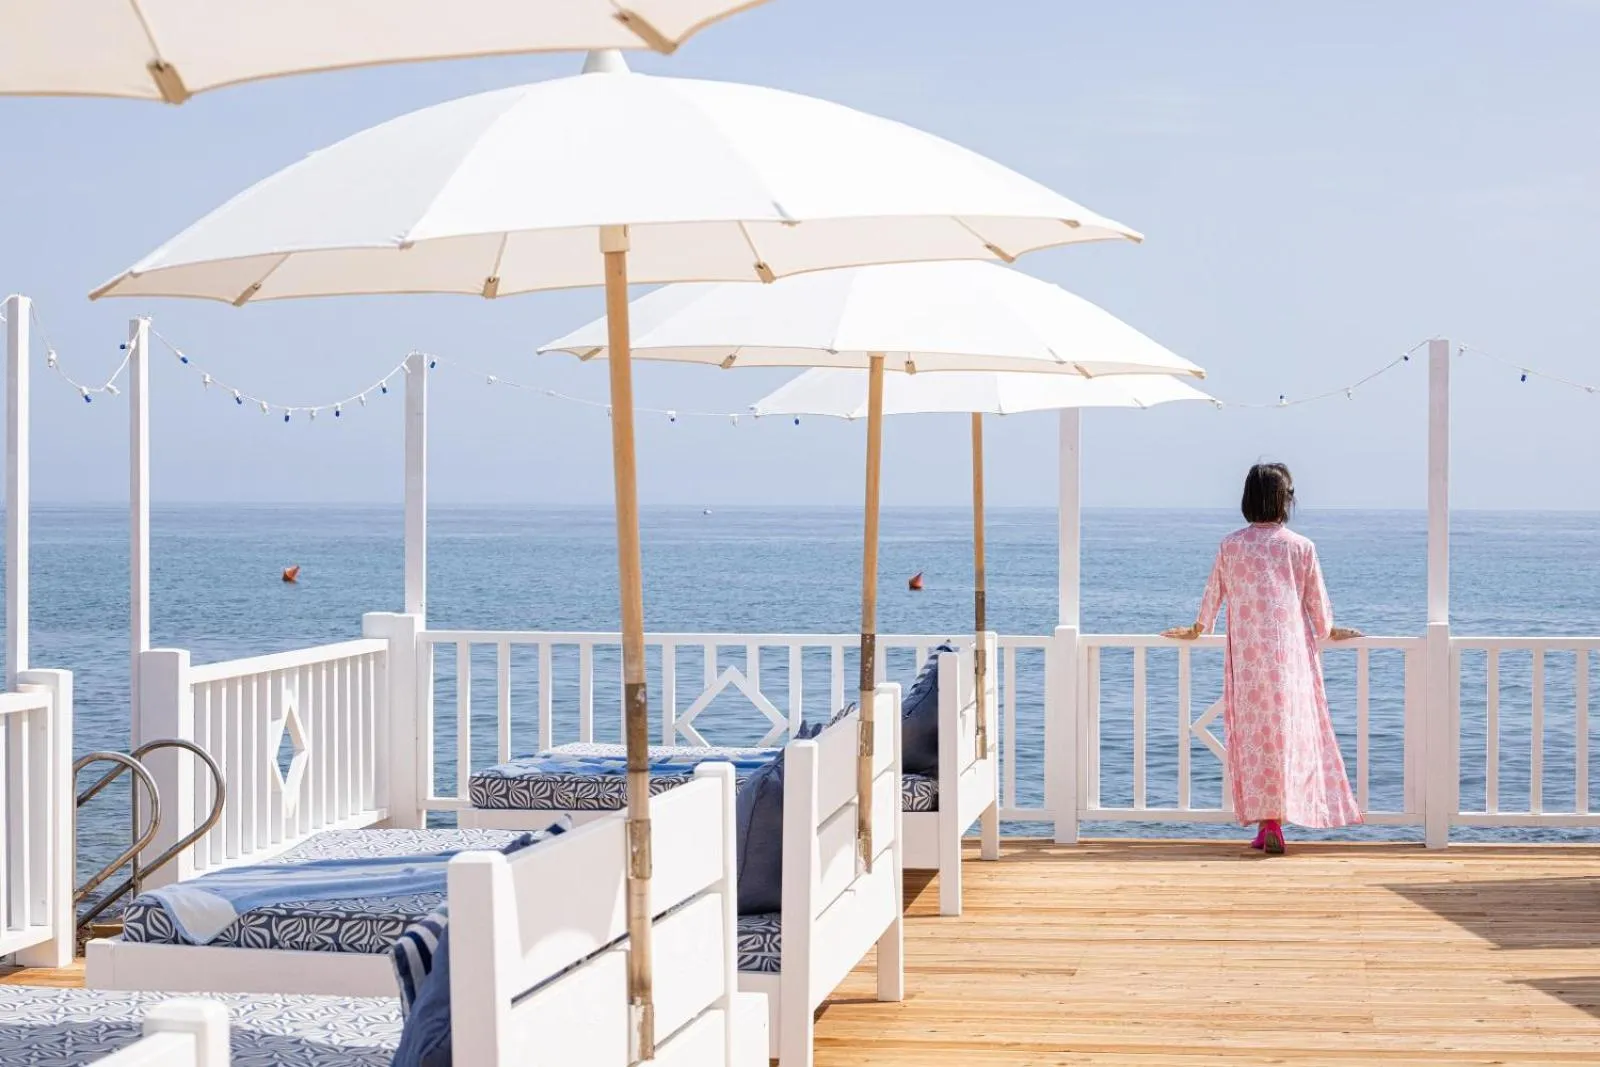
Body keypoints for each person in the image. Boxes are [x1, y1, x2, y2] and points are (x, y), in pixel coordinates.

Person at [1162, 463, 1362, 854]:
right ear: (1286, 500)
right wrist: (1331, 630)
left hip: (1248, 660)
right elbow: (1318, 609)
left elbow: (1213, 595)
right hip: (1290, 660)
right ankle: (1281, 818)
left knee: (1255, 739)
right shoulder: (1301, 547)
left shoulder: (1231, 545)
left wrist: (1198, 627)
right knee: (1291, 736)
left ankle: (1267, 822)